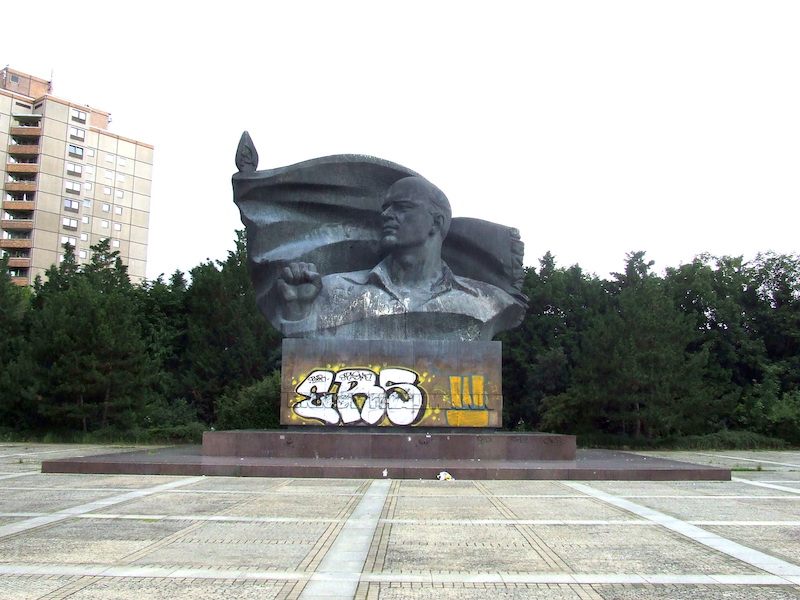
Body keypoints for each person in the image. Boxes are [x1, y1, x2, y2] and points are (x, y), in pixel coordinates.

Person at [274, 176, 524, 341]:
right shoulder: (334, 291)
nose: (387, 215)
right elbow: (308, 368)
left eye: (402, 208)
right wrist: (298, 312)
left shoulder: (486, 302)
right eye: (385, 208)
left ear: (436, 222)